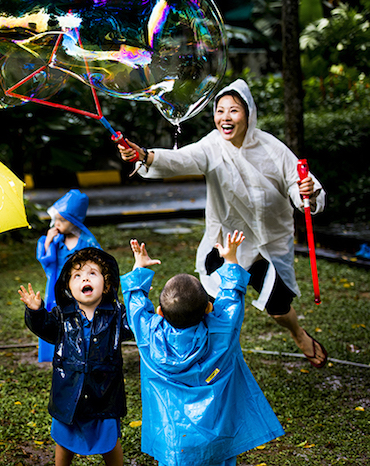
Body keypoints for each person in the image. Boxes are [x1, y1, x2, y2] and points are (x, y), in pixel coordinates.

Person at [118, 78, 328, 368]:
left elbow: (298, 185)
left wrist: (307, 192)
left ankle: (299, 334)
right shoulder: (211, 146)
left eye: (234, 110)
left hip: (269, 242)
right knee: (211, 307)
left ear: (248, 114)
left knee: (279, 311)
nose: (225, 118)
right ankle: (205, 357)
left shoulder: (272, 149)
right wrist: (144, 155)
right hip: (227, 242)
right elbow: (180, 159)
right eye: (220, 110)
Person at [121, 232, 284, 465]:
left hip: (174, 440)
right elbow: (232, 298)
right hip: (219, 436)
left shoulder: (149, 337)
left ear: (159, 312)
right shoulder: (223, 334)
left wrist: (139, 268)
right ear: (209, 307)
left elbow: (135, 306)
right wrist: (231, 259)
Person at [19, 247, 132, 466]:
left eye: (92, 274)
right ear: (69, 287)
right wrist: (36, 311)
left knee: (109, 438)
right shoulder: (63, 316)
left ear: (106, 284)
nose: (84, 279)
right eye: (77, 276)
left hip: (104, 393)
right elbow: (45, 327)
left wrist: (139, 298)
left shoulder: (117, 315)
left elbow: (135, 325)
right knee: (64, 438)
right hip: (69, 392)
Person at [35, 189, 101, 362]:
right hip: (58, 287)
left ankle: (82, 351)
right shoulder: (57, 241)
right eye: (56, 219)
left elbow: (99, 264)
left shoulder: (87, 242)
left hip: (80, 289)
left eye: (62, 220)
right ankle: (60, 352)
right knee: (58, 317)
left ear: (74, 221)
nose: (57, 223)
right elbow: (47, 260)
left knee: (81, 316)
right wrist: (48, 241)